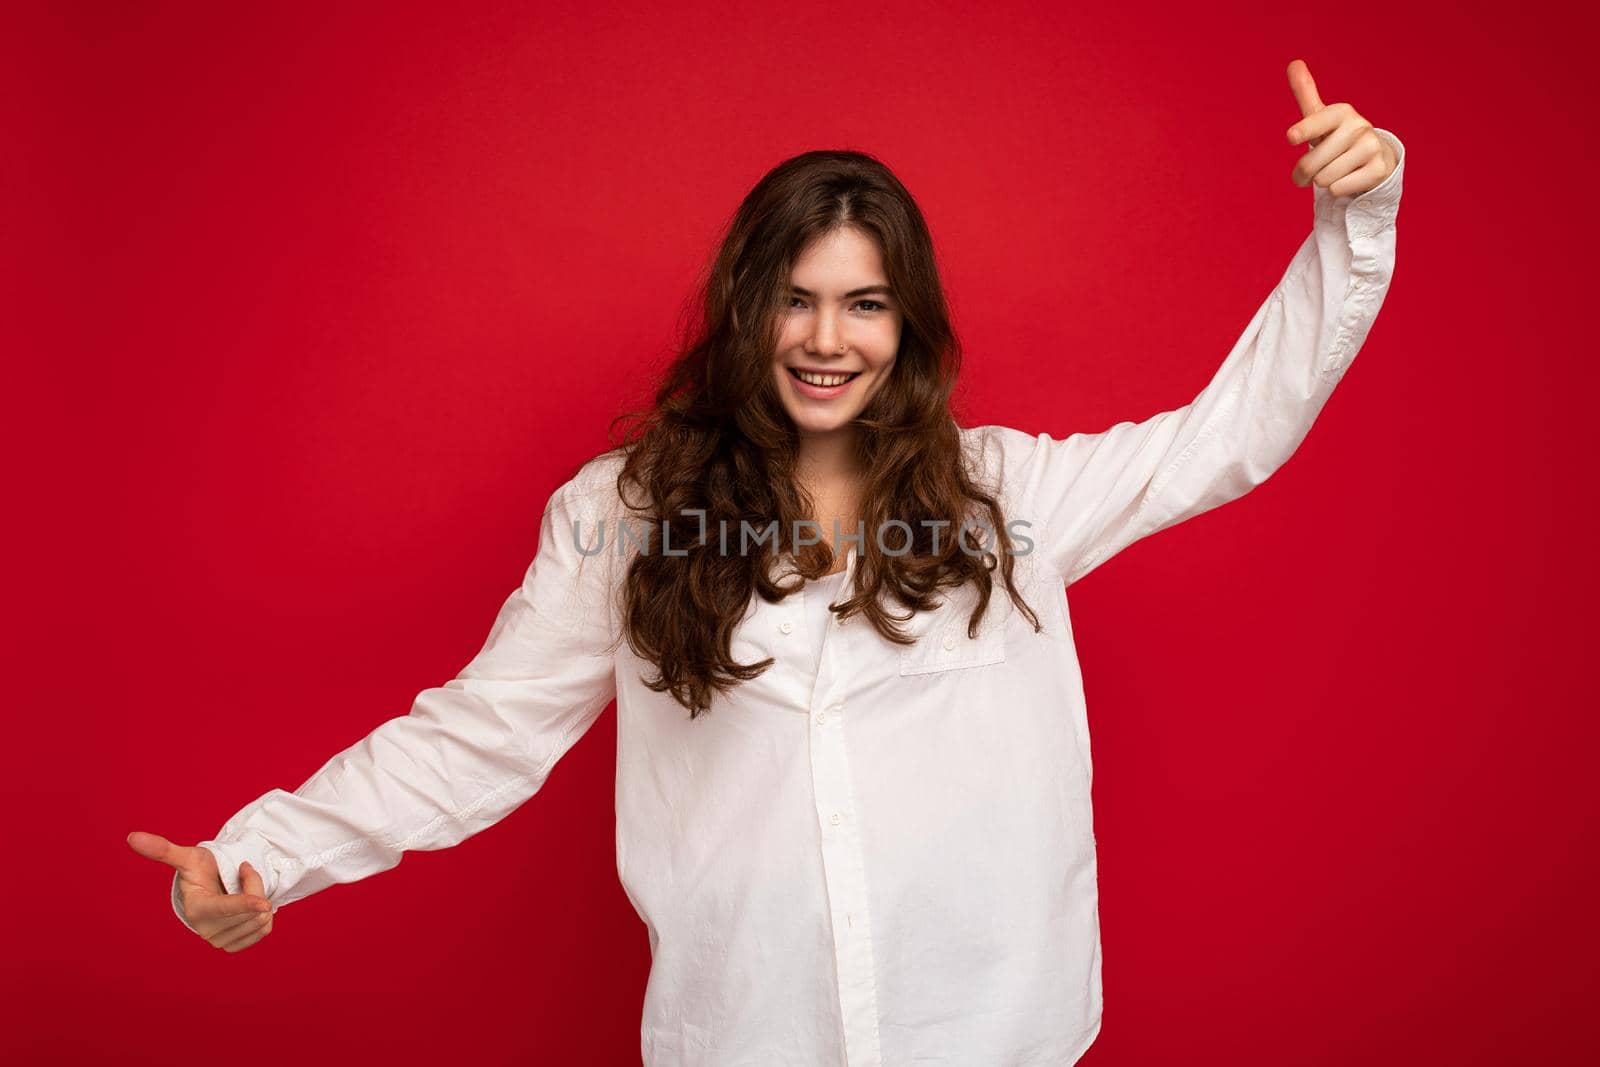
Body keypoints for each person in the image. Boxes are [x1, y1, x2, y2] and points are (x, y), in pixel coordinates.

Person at [129, 58, 1404, 1066]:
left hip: (996, 1031)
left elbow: (1232, 433)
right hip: (744, 1036)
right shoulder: (621, 516)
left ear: (908, 327)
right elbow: (481, 731)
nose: (825, 338)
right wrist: (261, 856)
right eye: (793, 297)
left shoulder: (1009, 496)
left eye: (862, 302)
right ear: (746, 310)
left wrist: (1353, 212)